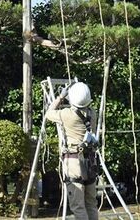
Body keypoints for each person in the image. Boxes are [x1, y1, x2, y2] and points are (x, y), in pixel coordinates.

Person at [45, 82, 99, 220]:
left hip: (74, 162)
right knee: (91, 204)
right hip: (90, 161)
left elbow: (49, 113)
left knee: (78, 206)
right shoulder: (93, 113)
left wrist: (61, 97)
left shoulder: (67, 114)